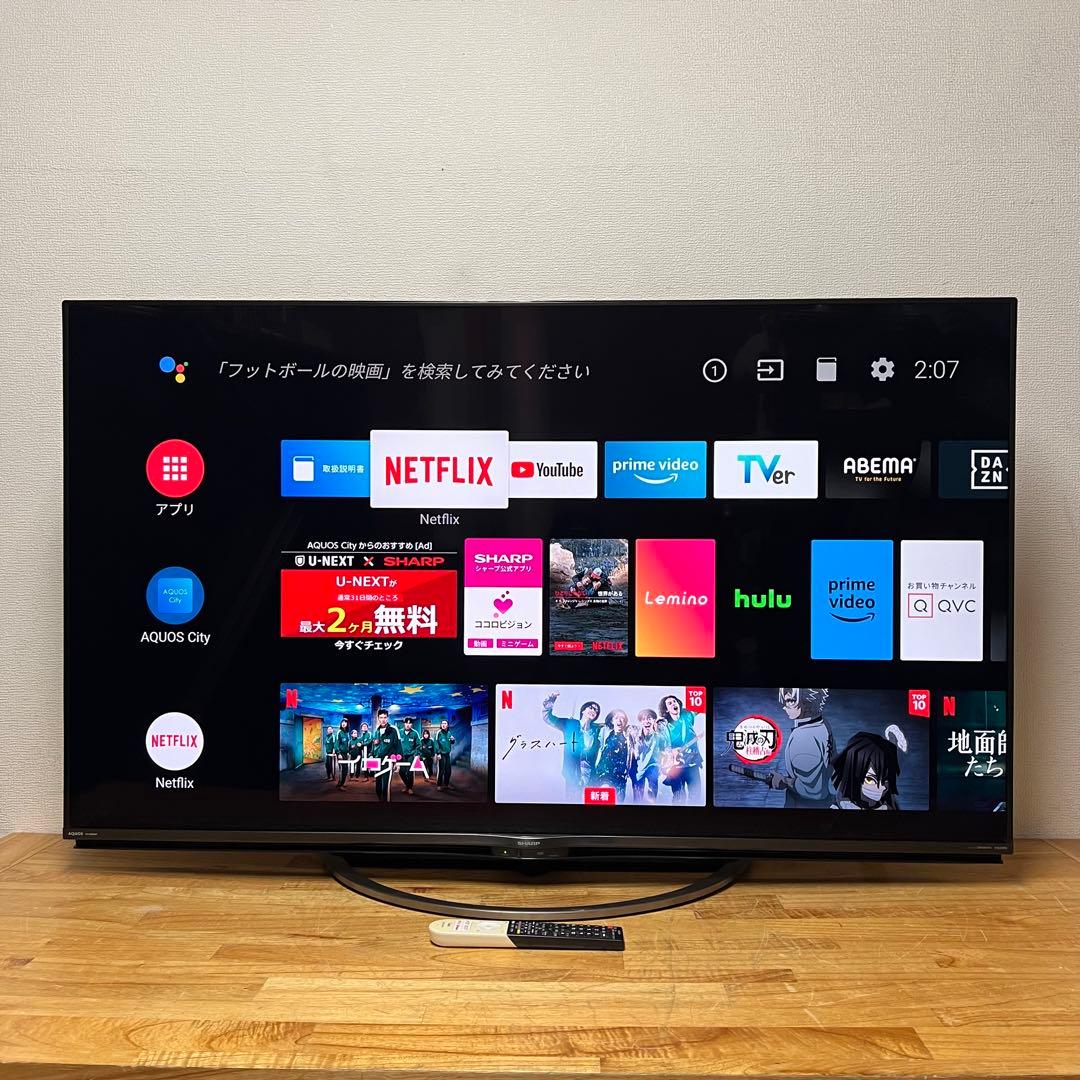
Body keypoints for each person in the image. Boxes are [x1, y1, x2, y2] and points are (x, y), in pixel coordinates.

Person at [767, 688, 834, 809]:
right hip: (823, 803)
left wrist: (784, 781)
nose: (785, 707)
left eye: (791, 701)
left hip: (804, 808)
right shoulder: (823, 724)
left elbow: (813, 790)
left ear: (807, 701)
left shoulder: (803, 736)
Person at [541, 692, 603, 802]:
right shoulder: (570, 724)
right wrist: (551, 699)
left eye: (596, 710)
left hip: (591, 778)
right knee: (572, 805)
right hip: (572, 775)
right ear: (583, 710)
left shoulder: (597, 729)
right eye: (591, 707)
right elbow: (547, 718)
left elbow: (613, 725)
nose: (594, 710)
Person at [830, 728, 904, 810]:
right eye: (869, 779)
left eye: (886, 780)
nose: (881, 788)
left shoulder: (889, 806)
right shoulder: (838, 807)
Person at [658, 694, 702, 804]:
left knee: (695, 796)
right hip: (675, 767)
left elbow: (701, 706)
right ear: (666, 710)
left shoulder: (687, 715)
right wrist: (671, 751)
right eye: (670, 703)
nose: (674, 703)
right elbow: (660, 746)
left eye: (675, 701)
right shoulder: (664, 725)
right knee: (679, 798)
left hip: (692, 763)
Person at [594, 709, 632, 802]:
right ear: (612, 721)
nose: (619, 720)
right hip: (604, 774)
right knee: (604, 799)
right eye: (616, 718)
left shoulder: (628, 736)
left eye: (622, 718)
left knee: (618, 801)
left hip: (621, 777)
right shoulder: (604, 732)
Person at [630, 709, 667, 803]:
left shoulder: (659, 737)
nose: (646, 721)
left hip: (653, 767)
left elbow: (664, 751)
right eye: (644, 719)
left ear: (654, 720)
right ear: (641, 722)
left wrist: (662, 766)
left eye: (649, 718)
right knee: (637, 797)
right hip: (638, 769)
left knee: (652, 794)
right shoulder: (635, 736)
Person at [370, 708, 402, 803]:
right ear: (378, 718)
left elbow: (398, 746)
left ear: (387, 718)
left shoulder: (393, 730)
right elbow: (374, 746)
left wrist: (398, 762)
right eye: (381, 717)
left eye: (385, 717)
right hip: (377, 761)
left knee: (385, 786)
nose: (383, 719)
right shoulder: (376, 731)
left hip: (387, 761)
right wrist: (371, 756)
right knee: (378, 785)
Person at [398, 717, 421, 795]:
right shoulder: (399, 733)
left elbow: (418, 745)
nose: (408, 725)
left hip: (411, 755)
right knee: (401, 771)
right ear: (404, 724)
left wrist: (416, 754)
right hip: (401, 756)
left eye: (410, 723)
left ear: (412, 724)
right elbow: (396, 744)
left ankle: (410, 788)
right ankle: (407, 786)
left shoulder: (415, 733)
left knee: (410, 772)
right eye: (406, 723)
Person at [434, 719, 456, 790]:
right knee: (441, 770)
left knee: (448, 770)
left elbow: (451, 742)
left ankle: (446, 784)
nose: (443, 724)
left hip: (447, 754)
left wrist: (453, 740)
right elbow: (436, 743)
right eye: (442, 723)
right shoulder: (439, 733)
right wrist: (438, 753)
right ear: (441, 725)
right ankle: (439, 785)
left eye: (445, 723)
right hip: (441, 754)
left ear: (447, 725)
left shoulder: (449, 733)